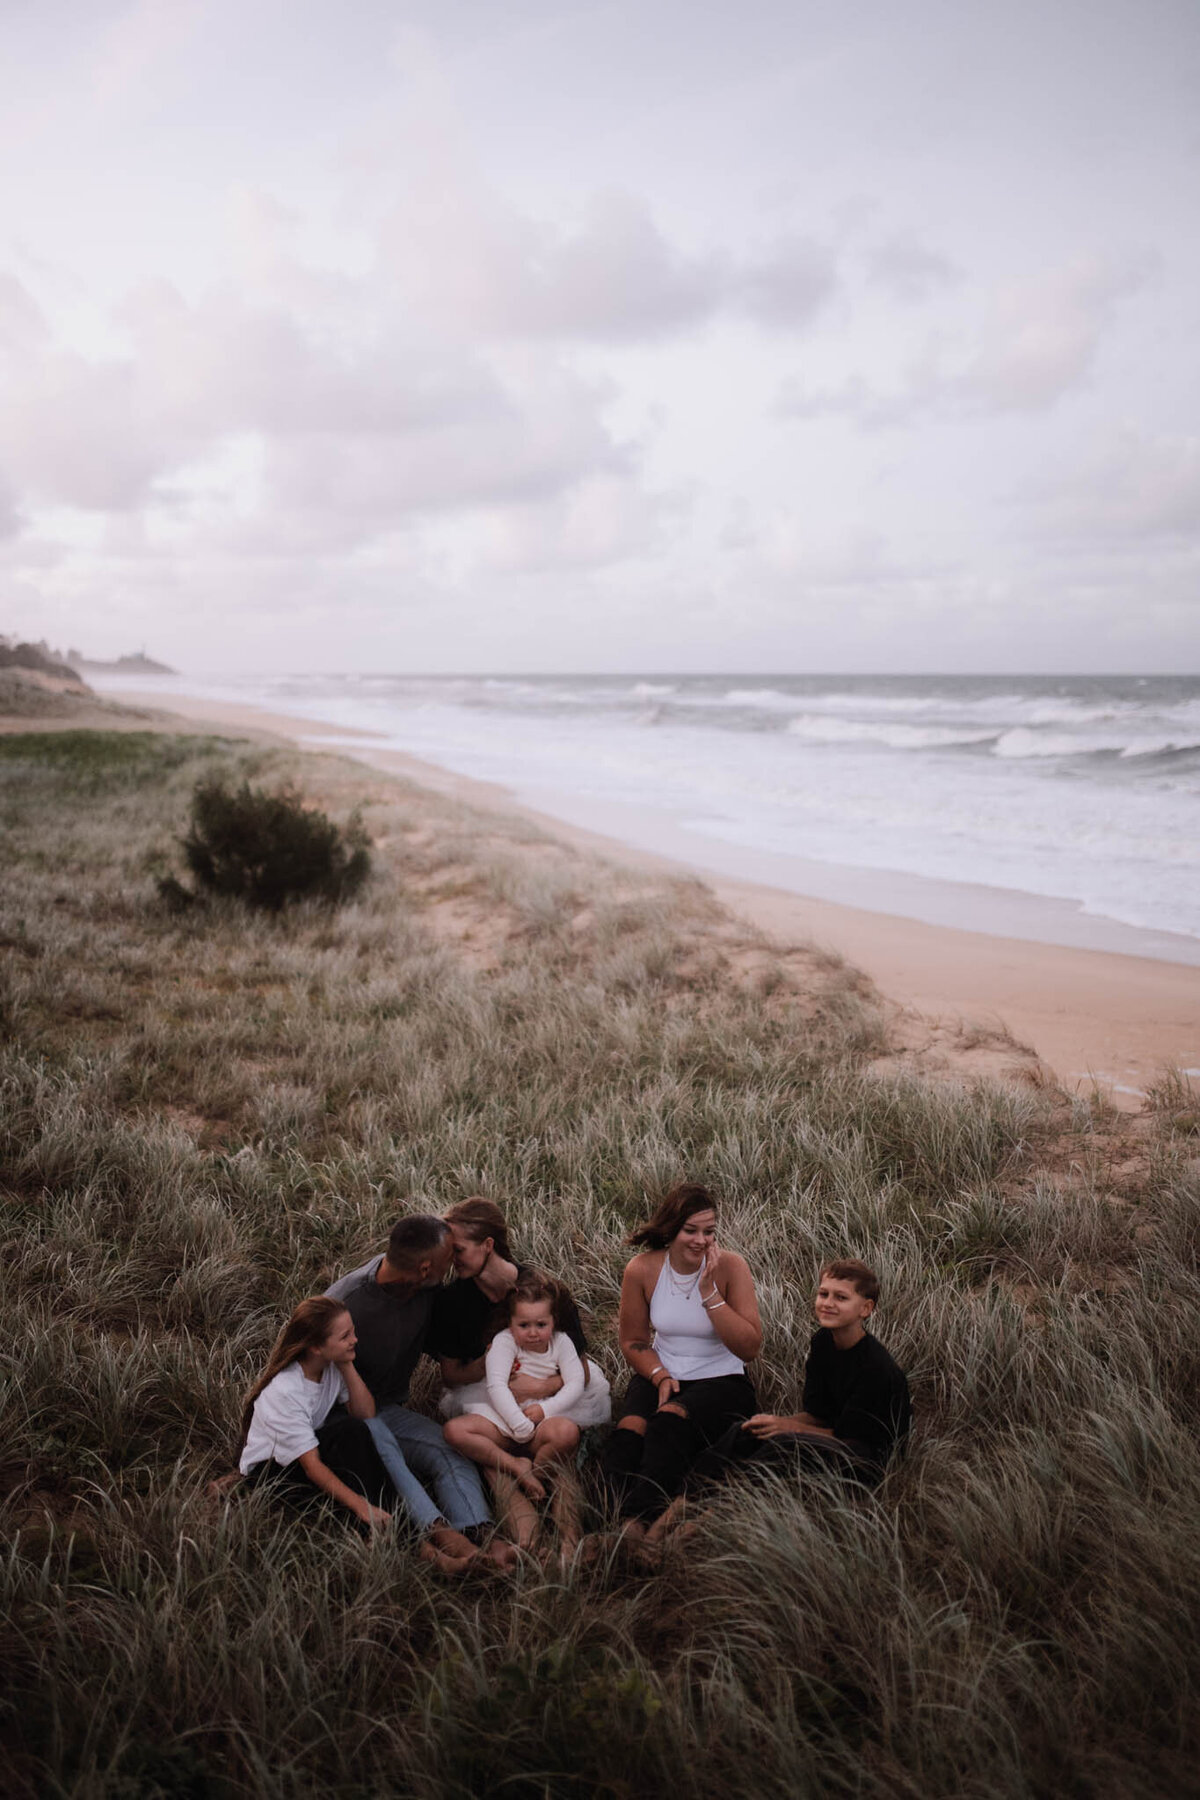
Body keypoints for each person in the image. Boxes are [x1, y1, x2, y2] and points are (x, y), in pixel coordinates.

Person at [645, 1259, 911, 1549]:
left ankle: (687, 1536)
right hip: (836, 1437)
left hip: (866, 1458)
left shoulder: (875, 1368)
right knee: (745, 1429)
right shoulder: (823, 1342)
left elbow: (854, 1438)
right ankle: (660, 1528)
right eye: (824, 1294)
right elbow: (819, 1416)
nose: (828, 1303)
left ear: (866, 1308)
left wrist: (787, 1428)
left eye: (841, 1297)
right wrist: (773, 1422)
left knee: (782, 1444)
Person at [325, 1213, 497, 1564]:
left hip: (388, 1408)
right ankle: (443, 1536)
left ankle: (477, 1533)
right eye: (449, 1258)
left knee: (449, 1449)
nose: (454, 1264)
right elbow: (288, 1367)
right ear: (423, 1269)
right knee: (385, 1447)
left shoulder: (428, 1289)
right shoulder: (347, 1302)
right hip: (339, 1417)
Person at [598, 1182, 762, 1539]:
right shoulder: (641, 1269)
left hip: (722, 1379)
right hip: (662, 1370)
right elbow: (633, 1340)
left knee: (668, 1422)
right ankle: (623, 1525)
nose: (701, 1241)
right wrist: (658, 1375)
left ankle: (641, 1527)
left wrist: (709, 1294)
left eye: (709, 1232)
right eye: (691, 1230)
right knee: (628, 1436)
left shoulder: (731, 1267)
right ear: (670, 1229)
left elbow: (749, 1348)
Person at [443, 1271, 589, 1553]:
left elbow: (575, 1383)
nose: (533, 1332)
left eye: (541, 1324)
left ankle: (538, 1473)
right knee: (455, 1430)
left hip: (541, 1417)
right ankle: (516, 1468)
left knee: (567, 1432)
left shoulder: (561, 1342)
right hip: (503, 1416)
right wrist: (518, 1425)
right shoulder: (504, 1341)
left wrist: (545, 1409)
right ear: (510, 1324)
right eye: (523, 1325)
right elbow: (497, 1387)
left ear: (553, 1322)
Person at [430, 1197, 610, 1427]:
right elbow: (451, 1376)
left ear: (487, 1245)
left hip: (550, 1394)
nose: (451, 1259)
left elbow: (582, 1372)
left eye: (458, 1250)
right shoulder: (452, 1301)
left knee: (559, 1434)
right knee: (464, 1431)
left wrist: (543, 1387)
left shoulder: (543, 1291)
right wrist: (484, 1365)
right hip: (487, 1394)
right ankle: (511, 1459)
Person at [238, 1296, 395, 1534]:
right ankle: (390, 1532)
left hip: (303, 1456)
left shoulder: (330, 1368)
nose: (355, 1340)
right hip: (271, 1475)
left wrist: (347, 1364)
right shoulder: (286, 1391)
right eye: (345, 1337)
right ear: (316, 1347)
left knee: (354, 1431)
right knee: (349, 1497)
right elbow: (312, 1467)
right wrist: (361, 1506)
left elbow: (365, 1414)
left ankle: (395, 1522)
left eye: (353, 1331)